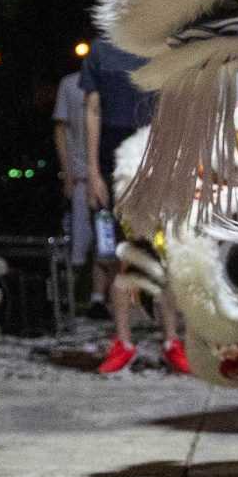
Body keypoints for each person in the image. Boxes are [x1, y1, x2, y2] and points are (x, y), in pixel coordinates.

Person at [83, 34, 157, 375]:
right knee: (119, 255)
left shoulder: (162, 43)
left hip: (154, 150)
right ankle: (123, 341)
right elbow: (93, 109)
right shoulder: (101, 50)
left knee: (166, 252)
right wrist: (93, 172)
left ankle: (173, 340)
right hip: (115, 156)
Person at [51, 61, 114, 321]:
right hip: (80, 176)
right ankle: (67, 298)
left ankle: (98, 299)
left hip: (109, 174)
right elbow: (61, 129)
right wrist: (67, 173)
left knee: (106, 239)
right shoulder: (70, 84)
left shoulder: (116, 81)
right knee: (78, 240)